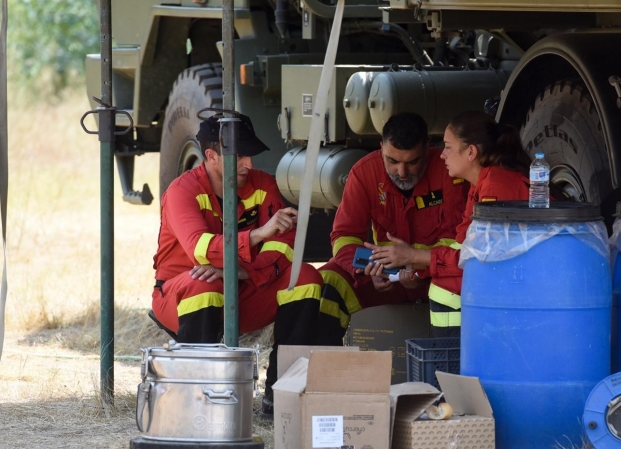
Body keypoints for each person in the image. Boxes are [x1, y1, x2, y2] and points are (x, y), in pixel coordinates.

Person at [151, 113, 323, 416]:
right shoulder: (182, 191)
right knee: (205, 282)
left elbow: (284, 251)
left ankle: (281, 399)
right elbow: (201, 252)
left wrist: (241, 271)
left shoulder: (264, 185)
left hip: (245, 285)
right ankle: (194, 405)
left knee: (306, 278)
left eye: (250, 155)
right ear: (211, 156)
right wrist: (257, 234)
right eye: (240, 155)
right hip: (181, 295)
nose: (249, 165)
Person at [368, 110, 533, 336]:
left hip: (525, 286)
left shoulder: (496, 187)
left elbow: (478, 260)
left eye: (447, 146)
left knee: (447, 287)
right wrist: (414, 269)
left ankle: (454, 362)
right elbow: (462, 246)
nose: (442, 155)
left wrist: (414, 257)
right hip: (515, 281)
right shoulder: (480, 186)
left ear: (471, 152)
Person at [316, 112, 469, 344]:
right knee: (329, 279)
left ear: (427, 148)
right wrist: (369, 267)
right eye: (392, 160)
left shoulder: (449, 171)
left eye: (412, 162)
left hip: (437, 276)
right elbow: (344, 237)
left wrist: (419, 268)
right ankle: (325, 370)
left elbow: (458, 241)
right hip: (385, 279)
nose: (402, 172)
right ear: (380, 147)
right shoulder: (363, 172)